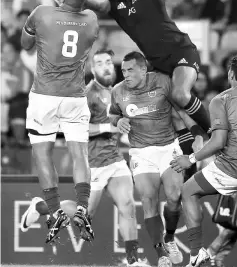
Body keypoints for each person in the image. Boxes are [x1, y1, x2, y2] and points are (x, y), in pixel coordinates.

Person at [21, 49, 148, 267]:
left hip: (115, 160)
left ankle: (133, 261)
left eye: (109, 62)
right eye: (99, 64)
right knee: (86, 215)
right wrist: (110, 126)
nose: (106, 66)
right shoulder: (86, 93)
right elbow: (73, 127)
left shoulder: (119, 91)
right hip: (93, 163)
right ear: (92, 68)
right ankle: (41, 206)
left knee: (128, 205)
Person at [84, 0, 211, 135]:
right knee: (175, 114)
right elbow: (97, 3)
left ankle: (216, 134)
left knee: (180, 95)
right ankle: (197, 142)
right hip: (157, 63)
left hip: (180, 49)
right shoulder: (115, 2)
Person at [21, 0, 98, 244]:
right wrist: (69, 5)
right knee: (79, 154)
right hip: (75, 97)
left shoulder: (41, 14)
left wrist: (54, 11)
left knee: (43, 154)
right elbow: (77, 13)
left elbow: (25, 44)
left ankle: (54, 212)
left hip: (44, 96)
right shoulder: (91, 20)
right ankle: (82, 207)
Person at [108, 51, 186, 267]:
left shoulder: (163, 82)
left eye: (130, 69)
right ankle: (161, 253)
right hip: (141, 152)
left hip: (168, 147)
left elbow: (182, 107)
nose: (125, 74)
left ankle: (170, 238)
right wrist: (118, 121)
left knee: (174, 196)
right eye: (123, 70)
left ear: (144, 69)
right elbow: (113, 114)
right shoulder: (118, 91)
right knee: (148, 200)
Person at [170, 55, 237, 267]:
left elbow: (218, 142)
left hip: (230, 170)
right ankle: (214, 251)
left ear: (230, 74)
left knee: (188, 190)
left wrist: (190, 158)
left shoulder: (222, 100)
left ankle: (197, 252)